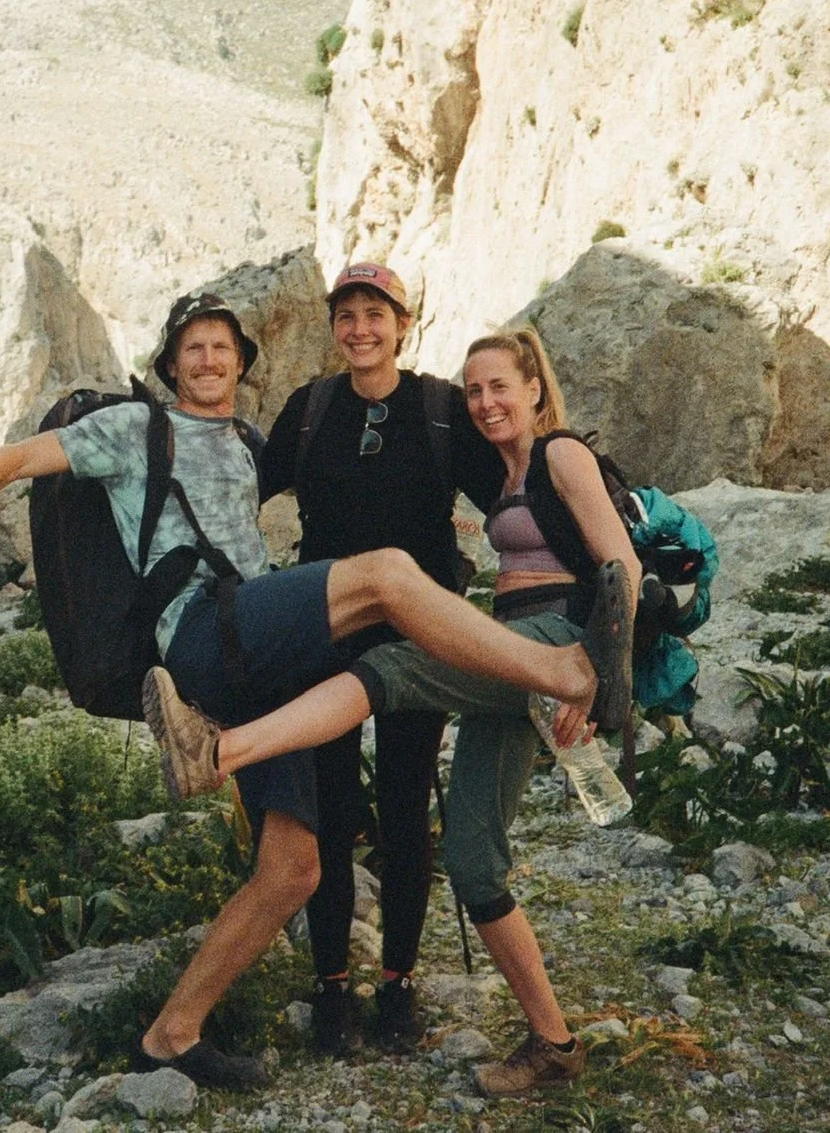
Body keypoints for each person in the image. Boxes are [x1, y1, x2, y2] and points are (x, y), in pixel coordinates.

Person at [0, 294, 625, 1092]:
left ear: (242, 363)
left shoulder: (249, 443)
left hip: (256, 657)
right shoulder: (135, 430)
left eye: (222, 348)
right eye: (192, 348)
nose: (208, 360)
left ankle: (173, 1032)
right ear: (171, 365)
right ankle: (559, 674)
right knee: (384, 576)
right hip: (204, 628)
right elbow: (20, 460)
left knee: (293, 870)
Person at [144, 328, 639, 1097]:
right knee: (473, 856)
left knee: (392, 669)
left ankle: (219, 752)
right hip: (516, 658)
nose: (485, 404)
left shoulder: (561, 454)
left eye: (500, 388)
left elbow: (621, 569)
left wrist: (603, 682)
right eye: (475, 391)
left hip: (556, 650)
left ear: (537, 388)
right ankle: (554, 1043)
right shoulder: (501, 468)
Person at [256, 262, 503, 1056]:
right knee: (326, 806)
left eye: (375, 313)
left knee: (403, 806)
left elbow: (509, 494)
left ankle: (397, 985)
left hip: (418, 635)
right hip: (323, 630)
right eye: (347, 315)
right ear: (334, 327)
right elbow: (239, 495)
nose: (361, 328)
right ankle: (332, 988)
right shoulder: (310, 410)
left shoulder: (439, 411)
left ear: (402, 324)